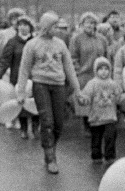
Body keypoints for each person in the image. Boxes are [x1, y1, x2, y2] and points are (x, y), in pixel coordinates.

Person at [15, 12, 80, 174]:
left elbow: (69, 68)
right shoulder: (32, 45)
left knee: (58, 123)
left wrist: (77, 89)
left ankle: (51, 145)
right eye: (54, 26)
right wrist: (21, 91)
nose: (56, 29)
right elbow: (24, 70)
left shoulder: (60, 44)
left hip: (58, 85)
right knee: (47, 121)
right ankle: (50, 156)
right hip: (40, 85)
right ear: (45, 27)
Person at [77, 57, 125, 163]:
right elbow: (86, 96)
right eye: (101, 69)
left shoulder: (113, 84)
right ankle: (96, 156)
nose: (104, 71)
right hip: (96, 118)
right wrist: (82, 99)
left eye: (106, 69)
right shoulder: (92, 83)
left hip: (110, 117)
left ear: (110, 70)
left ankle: (110, 156)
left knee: (110, 137)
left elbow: (119, 98)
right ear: (96, 70)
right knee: (96, 139)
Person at [0, 15, 39, 139]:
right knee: (21, 102)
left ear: (30, 27)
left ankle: (35, 127)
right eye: (20, 25)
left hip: (35, 77)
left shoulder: (36, 42)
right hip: (18, 77)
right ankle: (23, 129)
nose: (22, 27)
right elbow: (5, 60)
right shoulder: (12, 42)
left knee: (36, 102)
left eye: (25, 25)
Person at [70, 12, 109, 134]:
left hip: (100, 75)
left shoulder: (101, 39)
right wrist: (77, 70)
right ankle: (86, 124)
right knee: (85, 101)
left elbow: (106, 55)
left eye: (92, 23)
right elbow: (72, 57)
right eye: (87, 22)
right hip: (84, 74)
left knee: (99, 99)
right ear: (82, 24)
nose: (90, 25)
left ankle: (99, 123)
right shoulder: (76, 39)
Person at [0, 7, 26, 72]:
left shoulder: (28, 34)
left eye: (18, 19)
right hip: (7, 67)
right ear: (10, 20)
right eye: (14, 19)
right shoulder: (4, 34)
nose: (16, 21)